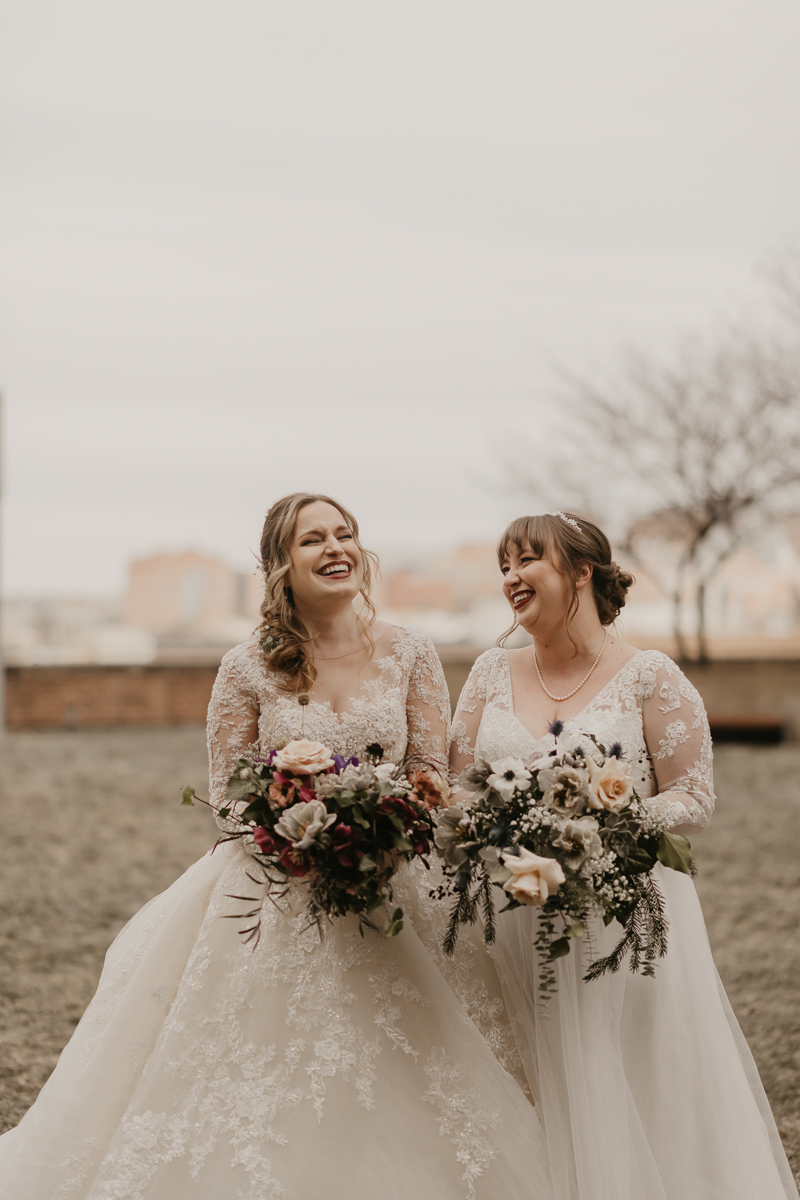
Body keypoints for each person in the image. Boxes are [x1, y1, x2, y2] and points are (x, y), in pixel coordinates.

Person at [0, 493, 553, 1200]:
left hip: (395, 878)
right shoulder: (245, 666)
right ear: (279, 566)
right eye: (313, 539)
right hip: (274, 882)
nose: (335, 548)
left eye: (345, 534)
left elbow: (432, 776)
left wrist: (390, 819)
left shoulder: (411, 651)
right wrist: (296, 832)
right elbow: (228, 793)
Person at [450, 510, 799, 1200]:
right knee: (523, 1092)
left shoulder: (650, 676)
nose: (511, 578)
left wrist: (596, 825)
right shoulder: (490, 671)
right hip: (507, 913)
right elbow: (457, 789)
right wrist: (493, 830)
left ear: (581, 572)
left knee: (627, 1083)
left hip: (616, 920)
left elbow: (693, 796)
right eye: (504, 567)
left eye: (528, 562)